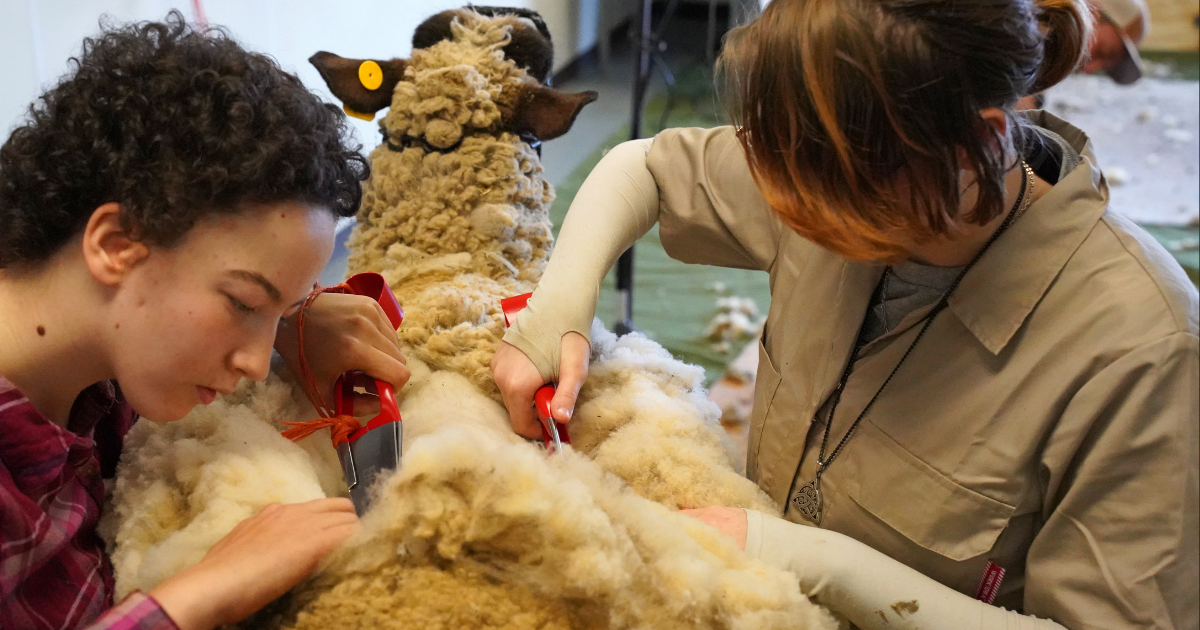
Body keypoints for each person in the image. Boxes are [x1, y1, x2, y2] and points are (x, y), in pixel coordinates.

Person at [491, 1, 1198, 628]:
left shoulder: (1143, 354)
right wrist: (558, 312)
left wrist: (815, 563)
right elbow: (644, 167)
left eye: (833, 193)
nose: (794, 211)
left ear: (975, 148)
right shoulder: (844, 149)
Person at [0, 13, 410, 630]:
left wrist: (294, 315)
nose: (252, 362)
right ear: (114, 244)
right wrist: (201, 594)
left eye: (282, 309)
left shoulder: (107, 368)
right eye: (244, 302)